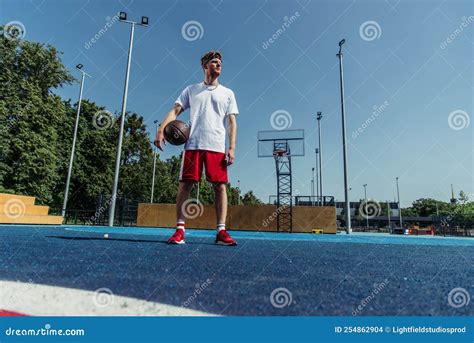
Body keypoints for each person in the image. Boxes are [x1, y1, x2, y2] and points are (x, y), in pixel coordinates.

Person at [154, 50, 238, 246]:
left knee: (220, 187)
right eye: (215, 62)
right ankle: (180, 230)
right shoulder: (191, 90)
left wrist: (232, 147)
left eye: (220, 63)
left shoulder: (228, 93)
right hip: (192, 144)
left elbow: (232, 122)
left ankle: (221, 231)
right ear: (205, 66)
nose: (219, 65)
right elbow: (175, 110)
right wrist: (160, 130)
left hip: (216, 146)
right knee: (185, 185)